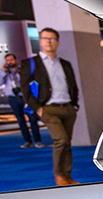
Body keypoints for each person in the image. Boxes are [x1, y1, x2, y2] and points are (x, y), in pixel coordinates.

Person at [21, 28, 80, 186]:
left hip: (67, 107)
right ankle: (59, 176)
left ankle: (67, 176)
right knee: (60, 140)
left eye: (52, 38)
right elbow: (25, 89)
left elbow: (73, 86)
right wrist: (38, 108)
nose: (48, 41)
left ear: (57, 42)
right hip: (48, 108)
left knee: (67, 142)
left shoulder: (65, 64)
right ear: (40, 41)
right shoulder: (30, 63)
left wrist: (75, 105)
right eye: (45, 38)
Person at [3, 53, 42, 148]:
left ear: (16, 60)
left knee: (32, 119)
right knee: (21, 120)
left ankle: (37, 140)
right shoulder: (5, 73)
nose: (9, 62)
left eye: (11, 60)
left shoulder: (23, 70)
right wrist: (3, 72)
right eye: (7, 61)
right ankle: (27, 141)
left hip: (26, 97)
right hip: (13, 99)